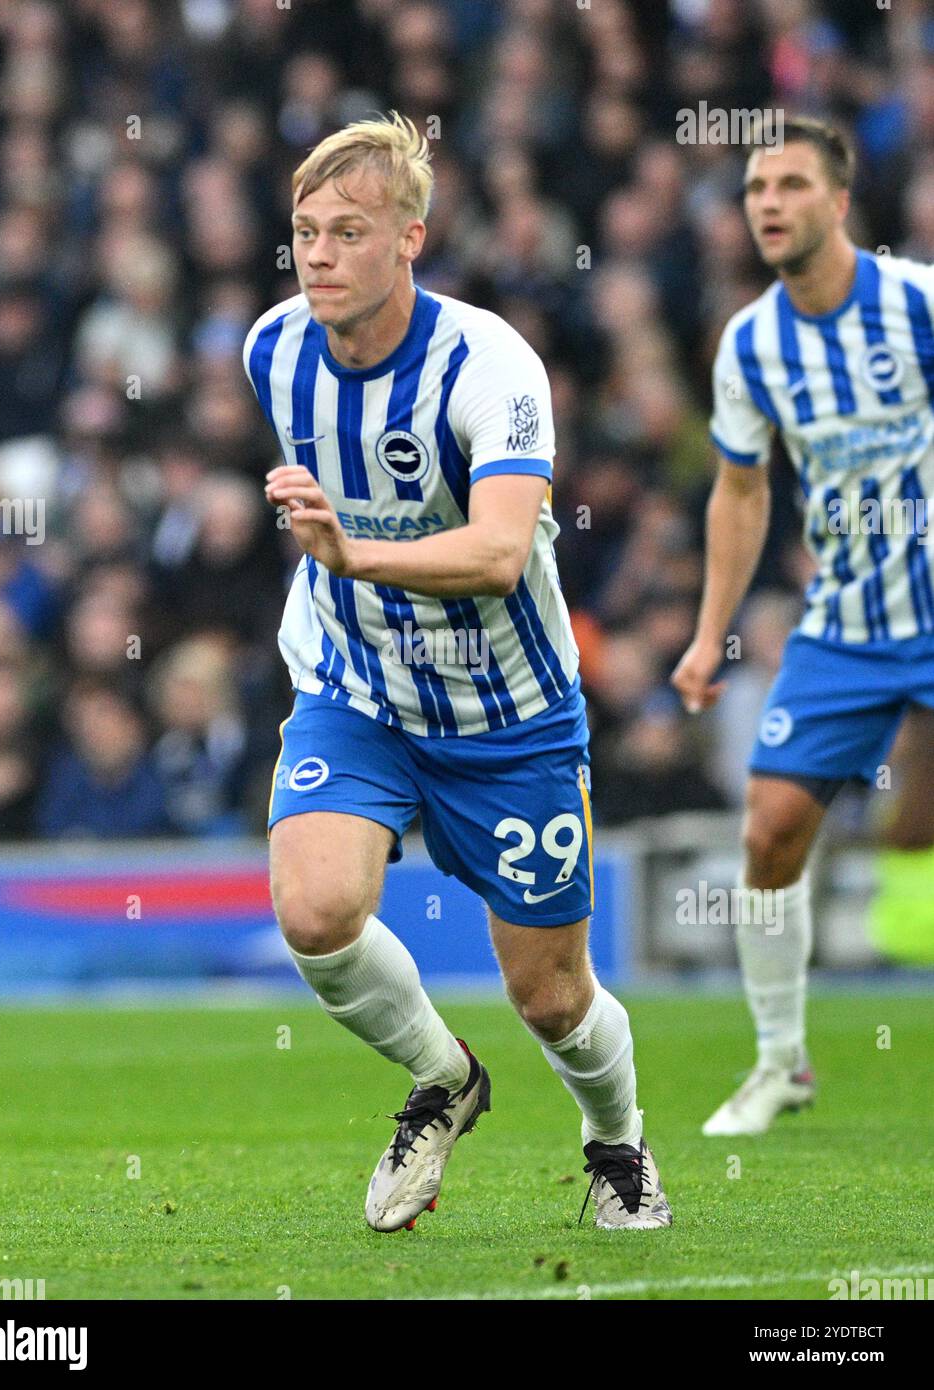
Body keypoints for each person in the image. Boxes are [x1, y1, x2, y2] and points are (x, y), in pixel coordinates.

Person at [245, 112, 671, 1232]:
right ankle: (443, 1076)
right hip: (359, 687)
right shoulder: (271, 350)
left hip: (511, 714)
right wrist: (338, 575)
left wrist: (352, 551)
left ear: (411, 239)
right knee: (314, 905)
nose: (319, 255)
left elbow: (494, 551)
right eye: (303, 232)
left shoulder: (490, 365)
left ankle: (617, 1143)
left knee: (550, 994)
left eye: (348, 231)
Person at [672, 116, 934, 1135]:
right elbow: (738, 494)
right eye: (752, 188)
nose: (767, 203)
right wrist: (707, 635)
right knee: (769, 827)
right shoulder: (750, 343)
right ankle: (779, 1060)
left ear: (837, 200)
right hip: (848, 626)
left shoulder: (914, 303)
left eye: (788, 183)